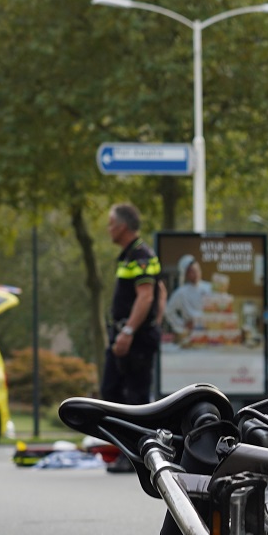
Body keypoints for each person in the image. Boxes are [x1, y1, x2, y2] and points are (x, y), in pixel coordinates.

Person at [102, 202, 161, 472]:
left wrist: (129, 332)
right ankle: (125, 452)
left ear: (123, 227)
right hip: (128, 335)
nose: (108, 229)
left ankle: (137, 457)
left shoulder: (141, 254)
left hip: (134, 339)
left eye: (111, 224)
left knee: (135, 400)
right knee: (112, 393)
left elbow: (148, 294)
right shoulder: (130, 255)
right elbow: (160, 291)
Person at [164, 253, 208, 337]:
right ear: (186, 274)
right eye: (192, 271)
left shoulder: (209, 288)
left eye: (197, 269)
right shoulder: (181, 292)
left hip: (210, 334)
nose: (195, 273)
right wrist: (182, 325)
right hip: (190, 334)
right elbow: (168, 311)